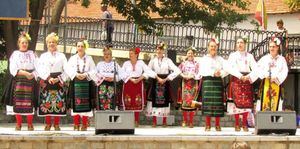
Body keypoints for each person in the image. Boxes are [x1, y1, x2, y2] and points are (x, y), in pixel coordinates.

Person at [3, 33, 39, 131]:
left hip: (30, 81)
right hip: (18, 81)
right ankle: (18, 124)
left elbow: (38, 67)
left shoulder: (32, 54)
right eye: (22, 43)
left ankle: (30, 124)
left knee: (30, 102)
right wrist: (25, 73)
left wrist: (33, 74)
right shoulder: (15, 54)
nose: (24, 44)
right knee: (17, 103)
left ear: (28, 44)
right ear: (19, 44)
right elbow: (13, 69)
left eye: (26, 43)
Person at [38, 32, 68, 131]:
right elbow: (40, 69)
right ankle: (47, 124)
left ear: (56, 43)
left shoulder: (62, 56)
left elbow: (67, 69)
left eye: (53, 42)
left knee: (58, 102)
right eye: (49, 42)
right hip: (47, 80)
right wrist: (48, 77)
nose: (51, 44)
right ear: (47, 44)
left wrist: (59, 78)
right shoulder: (43, 56)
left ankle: (56, 124)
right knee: (47, 102)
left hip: (58, 80)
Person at [226, 37, 258, 132]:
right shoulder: (232, 55)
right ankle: (236, 124)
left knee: (246, 103)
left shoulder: (249, 56)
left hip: (247, 79)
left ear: (245, 44)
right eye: (238, 42)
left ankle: (244, 124)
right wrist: (239, 76)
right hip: (236, 79)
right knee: (236, 104)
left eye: (241, 42)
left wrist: (249, 76)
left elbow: (256, 68)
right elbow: (229, 68)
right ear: (236, 44)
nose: (240, 44)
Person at [146, 42, 181, 127]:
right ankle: (154, 122)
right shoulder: (153, 60)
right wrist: (156, 77)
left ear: (163, 50)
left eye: (161, 49)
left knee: (165, 101)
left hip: (165, 82)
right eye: (158, 49)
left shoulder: (168, 60)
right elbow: (147, 70)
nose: (159, 51)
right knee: (153, 101)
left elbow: (177, 70)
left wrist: (167, 78)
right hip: (155, 82)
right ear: (156, 50)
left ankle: (164, 121)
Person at [121, 47, 156, 127]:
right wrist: (130, 79)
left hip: (138, 83)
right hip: (128, 83)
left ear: (136, 54)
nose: (130, 55)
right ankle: (129, 121)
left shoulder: (141, 63)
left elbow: (148, 71)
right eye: (129, 54)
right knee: (128, 101)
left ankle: (136, 121)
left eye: (132, 54)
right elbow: (122, 73)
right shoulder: (126, 63)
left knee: (137, 101)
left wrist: (140, 78)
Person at [66, 40, 96, 131]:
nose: (80, 48)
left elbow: (94, 70)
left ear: (85, 47)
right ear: (76, 47)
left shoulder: (89, 58)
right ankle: (76, 124)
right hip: (75, 82)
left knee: (86, 104)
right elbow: (68, 69)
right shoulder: (73, 58)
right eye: (78, 46)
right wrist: (76, 74)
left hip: (86, 83)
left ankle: (84, 124)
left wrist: (86, 74)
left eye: (82, 46)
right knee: (76, 103)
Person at [198, 39, 227, 131]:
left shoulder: (221, 59)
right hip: (208, 82)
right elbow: (201, 71)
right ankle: (207, 125)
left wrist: (221, 73)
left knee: (218, 103)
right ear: (208, 47)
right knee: (208, 103)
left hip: (218, 82)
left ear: (217, 47)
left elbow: (227, 69)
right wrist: (213, 72)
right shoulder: (204, 59)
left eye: (214, 46)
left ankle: (218, 125)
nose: (213, 48)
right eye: (211, 46)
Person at [256, 37, 288, 111]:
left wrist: (277, 79)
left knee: (276, 105)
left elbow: (285, 71)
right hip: (266, 84)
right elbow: (257, 68)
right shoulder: (264, 58)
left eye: (273, 46)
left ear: (278, 48)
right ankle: (264, 122)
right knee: (264, 103)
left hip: (276, 84)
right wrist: (266, 75)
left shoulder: (282, 59)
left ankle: (275, 122)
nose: (271, 48)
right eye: (270, 46)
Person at [177, 48, 201, 128]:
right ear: (186, 54)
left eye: (191, 53)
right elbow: (178, 71)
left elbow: (199, 73)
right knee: (185, 102)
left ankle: (191, 121)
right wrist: (184, 76)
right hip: (185, 83)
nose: (190, 54)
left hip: (193, 83)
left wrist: (193, 76)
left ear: (194, 54)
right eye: (188, 53)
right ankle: (184, 120)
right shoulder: (183, 63)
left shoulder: (197, 64)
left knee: (192, 102)